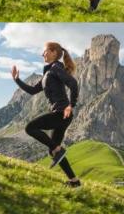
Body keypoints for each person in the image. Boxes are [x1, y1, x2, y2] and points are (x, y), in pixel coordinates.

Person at [11, 41, 81, 188]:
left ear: (53, 52)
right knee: (54, 150)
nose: (42, 54)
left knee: (30, 128)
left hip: (62, 112)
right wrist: (17, 79)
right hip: (61, 114)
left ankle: (57, 149)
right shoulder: (48, 72)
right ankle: (74, 182)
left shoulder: (56, 67)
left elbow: (73, 84)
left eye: (45, 51)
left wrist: (71, 105)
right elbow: (32, 90)